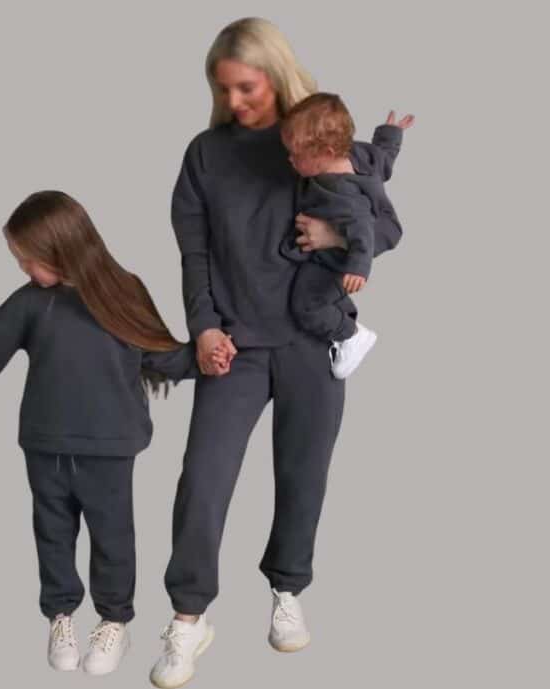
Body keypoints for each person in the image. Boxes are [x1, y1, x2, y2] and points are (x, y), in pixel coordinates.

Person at [151, 18, 406, 688]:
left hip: (311, 344)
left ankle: (287, 591)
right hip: (234, 344)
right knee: (202, 482)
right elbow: (194, 252)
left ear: (277, 73)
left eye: (246, 86)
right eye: (223, 89)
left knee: (303, 476)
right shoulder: (205, 155)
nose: (234, 101)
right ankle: (187, 616)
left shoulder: (319, 139)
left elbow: (386, 227)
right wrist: (203, 326)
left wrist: (332, 234)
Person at [0, 190, 199, 677]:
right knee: (52, 534)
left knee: (112, 537)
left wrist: (207, 358)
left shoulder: (125, 291)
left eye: (27, 259)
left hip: (110, 447)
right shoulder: (32, 303)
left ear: (61, 250)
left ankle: (114, 620)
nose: (23, 269)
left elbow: (160, 352)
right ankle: (60, 614)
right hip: (46, 443)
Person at [279, 92, 414, 378]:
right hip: (338, 254)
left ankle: (351, 335)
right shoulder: (357, 155)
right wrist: (391, 134)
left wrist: (357, 267)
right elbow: (382, 158)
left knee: (305, 305)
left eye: (297, 155)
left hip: (334, 263)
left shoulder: (341, 193)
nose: (290, 160)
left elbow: (363, 229)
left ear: (326, 154)